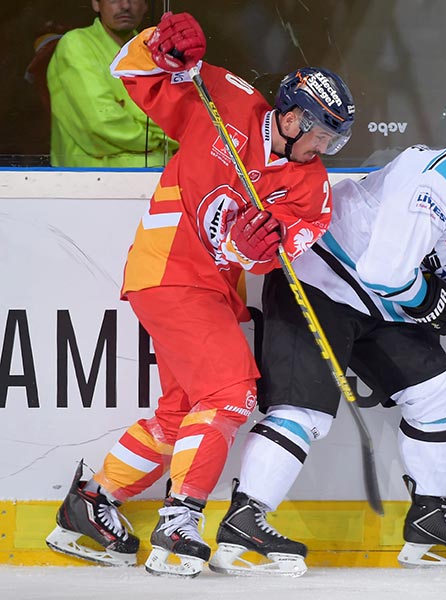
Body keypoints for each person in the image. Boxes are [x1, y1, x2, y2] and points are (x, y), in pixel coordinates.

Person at [208, 90, 446, 575]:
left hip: (386, 304)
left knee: (437, 387)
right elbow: (387, 272)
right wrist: (431, 300)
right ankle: (245, 518)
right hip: (322, 278)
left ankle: (429, 518)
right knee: (306, 409)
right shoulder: (438, 178)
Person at [44, 12, 355, 578]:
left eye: (334, 138)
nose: (322, 146)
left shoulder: (311, 185)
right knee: (232, 392)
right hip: (167, 268)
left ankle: (88, 504)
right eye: (318, 131)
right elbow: (131, 72)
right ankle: (179, 520)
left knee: (181, 412)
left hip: (210, 289)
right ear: (289, 114)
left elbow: (273, 252)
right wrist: (162, 48)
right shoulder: (226, 98)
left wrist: (250, 246)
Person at [45, 0, 175, 167]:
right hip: (92, 182)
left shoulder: (154, 50)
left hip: (160, 177)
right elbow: (102, 123)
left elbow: (178, 117)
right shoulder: (76, 44)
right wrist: (160, 140)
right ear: (96, 4)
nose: (125, 5)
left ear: (145, 6)